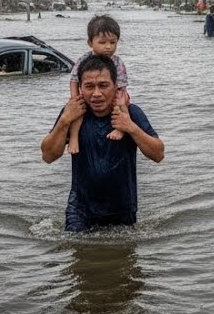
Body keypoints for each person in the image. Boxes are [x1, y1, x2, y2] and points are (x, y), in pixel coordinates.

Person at [42, 54, 164, 231]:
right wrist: (64, 121)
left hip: (123, 209)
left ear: (116, 86)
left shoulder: (131, 113)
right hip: (80, 209)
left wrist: (130, 127)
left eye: (103, 85)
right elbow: (48, 156)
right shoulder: (72, 114)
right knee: (74, 244)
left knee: (124, 248)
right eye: (89, 86)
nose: (97, 93)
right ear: (80, 88)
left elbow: (158, 154)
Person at [68, 14, 130, 154]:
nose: (108, 47)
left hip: (115, 94)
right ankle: (73, 137)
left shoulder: (117, 62)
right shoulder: (84, 60)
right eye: (102, 43)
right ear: (90, 43)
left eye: (112, 42)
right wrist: (75, 98)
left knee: (123, 104)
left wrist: (119, 100)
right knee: (77, 111)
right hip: (87, 97)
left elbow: (122, 85)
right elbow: (74, 80)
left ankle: (120, 129)